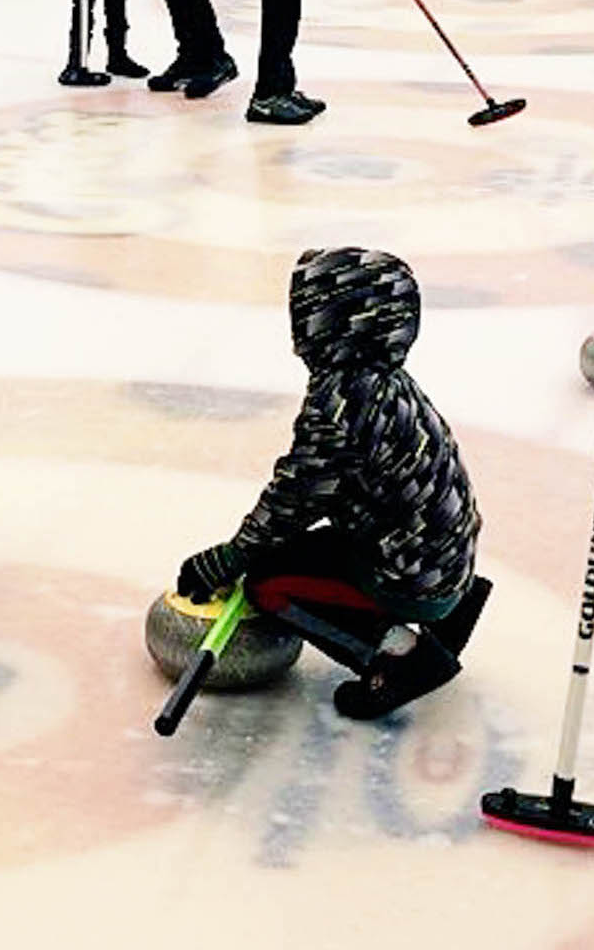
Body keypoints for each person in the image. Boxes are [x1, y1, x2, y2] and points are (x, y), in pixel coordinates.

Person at [176, 248, 492, 720]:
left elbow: (298, 494)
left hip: (412, 574)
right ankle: (454, 609)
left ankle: (400, 658)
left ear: (332, 322)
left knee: (272, 583)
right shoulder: (384, 379)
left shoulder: (342, 401)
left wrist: (231, 557)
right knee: (297, 552)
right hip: (443, 556)